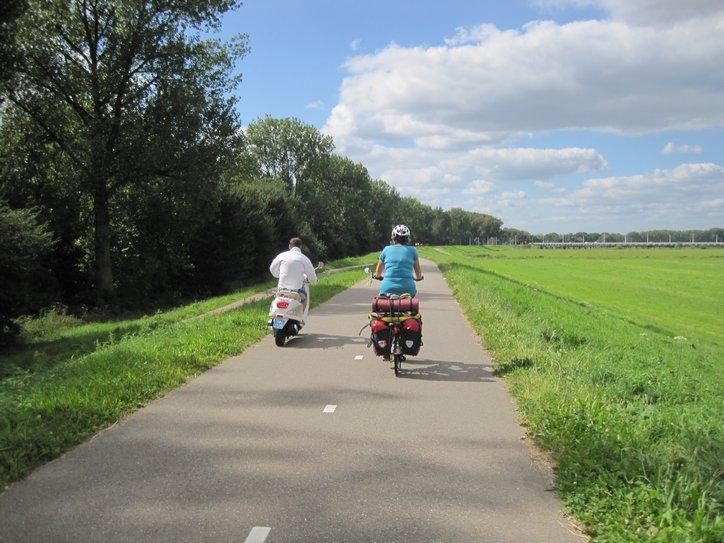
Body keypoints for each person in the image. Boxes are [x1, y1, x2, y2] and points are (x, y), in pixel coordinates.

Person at [269, 237, 318, 310]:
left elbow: (272, 269)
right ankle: (301, 315)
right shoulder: (304, 258)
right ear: (300, 247)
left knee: (277, 298)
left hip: (282, 289)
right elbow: (313, 279)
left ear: (289, 246)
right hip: (296, 291)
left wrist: (279, 275)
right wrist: (313, 280)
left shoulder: (282, 255)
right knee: (304, 298)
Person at [373, 224, 423, 296]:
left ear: (393, 237)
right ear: (407, 238)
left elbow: (378, 273)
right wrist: (418, 278)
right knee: (410, 299)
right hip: (408, 289)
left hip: (387, 289)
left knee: (382, 299)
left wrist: (378, 276)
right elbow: (418, 273)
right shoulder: (412, 250)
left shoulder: (386, 249)